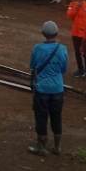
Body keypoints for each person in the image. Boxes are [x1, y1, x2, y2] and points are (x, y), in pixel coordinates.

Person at [28, 21, 68, 156]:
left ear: (43, 34)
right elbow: (63, 69)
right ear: (56, 33)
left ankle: (41, 147)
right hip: (58, 89)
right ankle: (57, 147)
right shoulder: (62, 49)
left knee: (41, 117)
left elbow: (33, 66)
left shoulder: (37, 48)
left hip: (42, 90)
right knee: (56, 117)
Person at [66, 0, 86, 78]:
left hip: (85, 34)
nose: (81, 0)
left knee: (85, 53)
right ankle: (80, 69)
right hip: (76, 33)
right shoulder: (72, 5)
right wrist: (76, 7)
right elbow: (69, 16)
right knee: (77, 52)